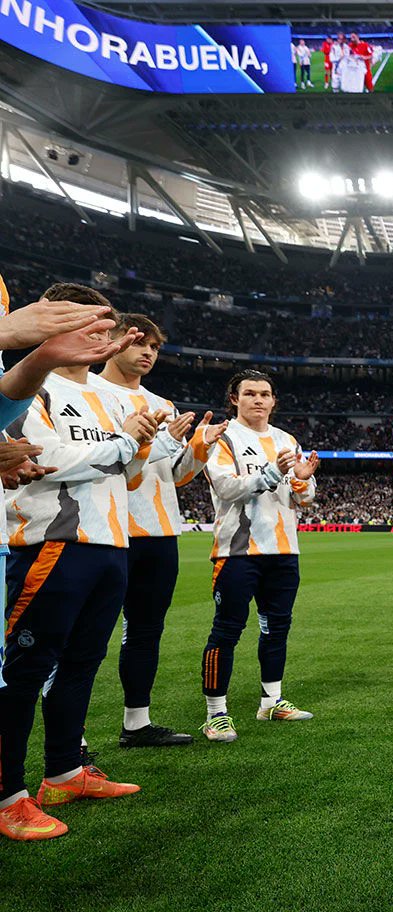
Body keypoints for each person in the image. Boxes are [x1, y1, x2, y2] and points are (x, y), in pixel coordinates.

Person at [0, 281, 150, 842]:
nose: (98, 333)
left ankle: (63, 772)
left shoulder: (110, 399)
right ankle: (8, 793)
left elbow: (130, 471)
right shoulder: (28, 386)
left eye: (101, 324)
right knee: (23, 671)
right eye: (85, 321)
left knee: (83, 662)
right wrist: (118, 447)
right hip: (52, 541)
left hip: (110, 544)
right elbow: (41, 458)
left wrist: (141, 445)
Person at [96, 312, 225, 748]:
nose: (148, 352)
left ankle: (137, 723)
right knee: (84, 634)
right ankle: (70, 739)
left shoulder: (162, 404)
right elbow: (110, 461)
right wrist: (163, 443)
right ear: (112, 342)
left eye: (154, 346)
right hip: (105, 530)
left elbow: (176, 473)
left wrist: (201, 449)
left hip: (159, 530)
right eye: (139, 343)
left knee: (146, 629)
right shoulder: (89, 393)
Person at [199, 370, 320, 743]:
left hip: (283, 549)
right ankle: (215, 713)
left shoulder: (286, 439)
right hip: (238, 550)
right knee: (227, 630)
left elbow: (304, 498)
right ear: (234, 398)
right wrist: (272, 472)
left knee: (277, 628)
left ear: (273, 401)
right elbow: (225, 486)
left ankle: (271, 701)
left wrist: (300, 479)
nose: (258, 400)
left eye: (265, 394)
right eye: (249, 393)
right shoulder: (223, 437)